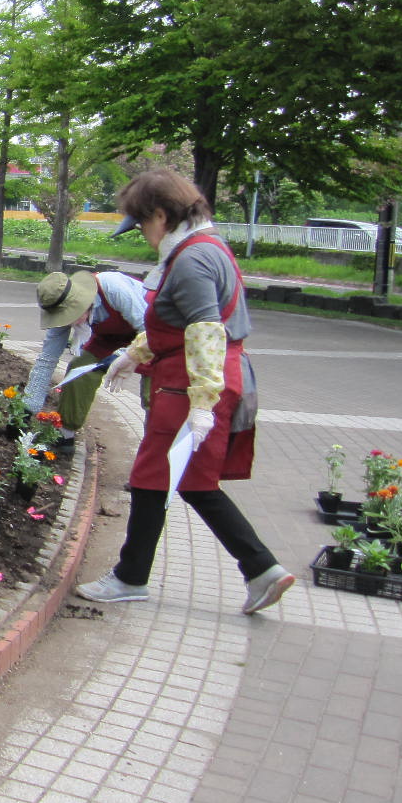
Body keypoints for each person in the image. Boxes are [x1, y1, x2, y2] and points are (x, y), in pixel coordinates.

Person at [76, 167, 295, 615]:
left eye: (141, 223)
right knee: (193, 480)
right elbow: (171, 322)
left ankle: (129, 578)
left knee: (151, 477)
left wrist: (202, 403)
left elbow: (204, 330)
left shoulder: (193, 259)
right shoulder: (207, 247)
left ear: (162, 214)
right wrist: (132, 355)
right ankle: (261, 569)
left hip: (190, 382)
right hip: (190, 376)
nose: (142, 234)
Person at [22, 269, 147, 456]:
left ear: (81, 304)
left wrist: (125, 356)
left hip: (153, 335)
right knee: (79, 369)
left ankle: (153, 458)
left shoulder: (113, 289)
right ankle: (66, 434)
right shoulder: (61, 310)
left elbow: (147, 329)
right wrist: (27, 408)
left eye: (68, 316)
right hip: (111, 337)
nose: (68, 323)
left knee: (153, 395)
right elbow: (47, 361)